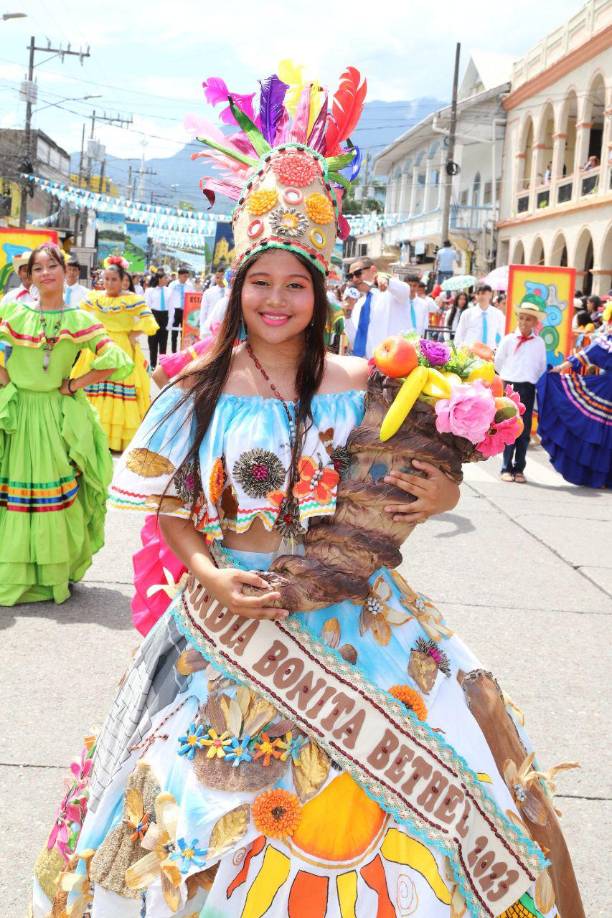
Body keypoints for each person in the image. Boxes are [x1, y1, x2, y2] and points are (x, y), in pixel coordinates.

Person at [33, 67, 582, 918]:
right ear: (235, 284)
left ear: (320, 292)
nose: (276, 300)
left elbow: (421, 493)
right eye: (261, 282)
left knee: (406, 799)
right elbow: (173, 510)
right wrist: (210, 578)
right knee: (195, 810)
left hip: (364, 621)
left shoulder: (368, 383)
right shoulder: (194, 388)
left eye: (295, 284)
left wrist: (441, 498)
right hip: (228, 621)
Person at [0, 243, 132, 605]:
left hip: (55, 416)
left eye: (52, 266)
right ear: (29, 276)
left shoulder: (80, 318)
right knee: (11, 497)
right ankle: (12, 575)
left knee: (52, 494)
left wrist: (75, 383)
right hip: (17, 411)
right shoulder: (13, 310)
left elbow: (117, 360)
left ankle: (51, 575)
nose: (46, 273)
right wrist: (5, 379)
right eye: (38, 268)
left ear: (65, 270)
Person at [73, 258, 158, 451]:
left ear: (122, 281)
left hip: (121, 348)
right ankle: (90, 436)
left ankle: (116, 440)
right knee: (92, 386)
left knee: (118, 389)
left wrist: (132, 333)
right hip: (97, 346)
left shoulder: (132, 299)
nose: (109, 283)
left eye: (113, 279)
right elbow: (77, 315)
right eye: (106, 279)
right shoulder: (95, 297)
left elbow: (150, 323)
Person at [537, 302, 611, 489]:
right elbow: (584, 355)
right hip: (607, 389)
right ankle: (598, 477)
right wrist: (560, 369)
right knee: (597, 433)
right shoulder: (608, 341)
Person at [495, 298, 548, 483]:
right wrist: (509, 377)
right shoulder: (508, 340)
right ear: (518, 319)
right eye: (522, 318)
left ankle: (520, 468)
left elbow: (541, 366)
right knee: (509, 426)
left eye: (529, 319)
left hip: (527, 387)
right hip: (510, 386)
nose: (524, 322)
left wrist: (530, 379)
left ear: (535, 322)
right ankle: (505, 467)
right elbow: (498, 362)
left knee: (523, 430)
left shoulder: (539, 343)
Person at [344, 260, 423, 357]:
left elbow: (405, 290)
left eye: (357, 273)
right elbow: (354, 339)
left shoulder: (391, 293)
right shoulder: (359, 304)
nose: (354, 279)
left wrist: (386, 279)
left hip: (397, 363)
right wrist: (347, 314)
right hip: (368, 364)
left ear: (373, 270)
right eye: (350, 276)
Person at [454, 283, 506, 349]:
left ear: (490, 295)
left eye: (483, 293)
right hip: (470, 354)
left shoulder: (498, 314)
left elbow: (502, 333)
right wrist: (460, 349)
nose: (481, 296)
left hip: (490, 354)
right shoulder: (467, 314)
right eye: (478, 293)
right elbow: (459, 334)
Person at [145, 272, 170, 368]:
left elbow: (171, 307)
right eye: (165, 278)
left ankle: (162, 365)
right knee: (153, 342)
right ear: (159, 279)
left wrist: (170, 321)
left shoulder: (169, 291)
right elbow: (147, 306)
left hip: (165, 316)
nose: (166, 279)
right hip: (154, 315)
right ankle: (152, 365)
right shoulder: (150, 291)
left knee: (163, 343)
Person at [168, 267, 195, 353]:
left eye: (187, 276)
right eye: (184, 276)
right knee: (174, 332)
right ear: (179, 276)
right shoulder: (172, 285)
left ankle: (182, 351)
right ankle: (173, 351)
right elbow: (169, 297)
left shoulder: (190, 286)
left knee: (184, 332)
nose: (186, 278)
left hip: (186, 311)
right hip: (175, 310)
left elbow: (193, 297)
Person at [199, 267, 226, 335]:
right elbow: (203, 311)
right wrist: (202, 329)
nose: (220, 280)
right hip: (211, 328)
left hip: (227, 328)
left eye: (222, 277)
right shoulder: (208, 292)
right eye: (217, 277)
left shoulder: (231, 293)